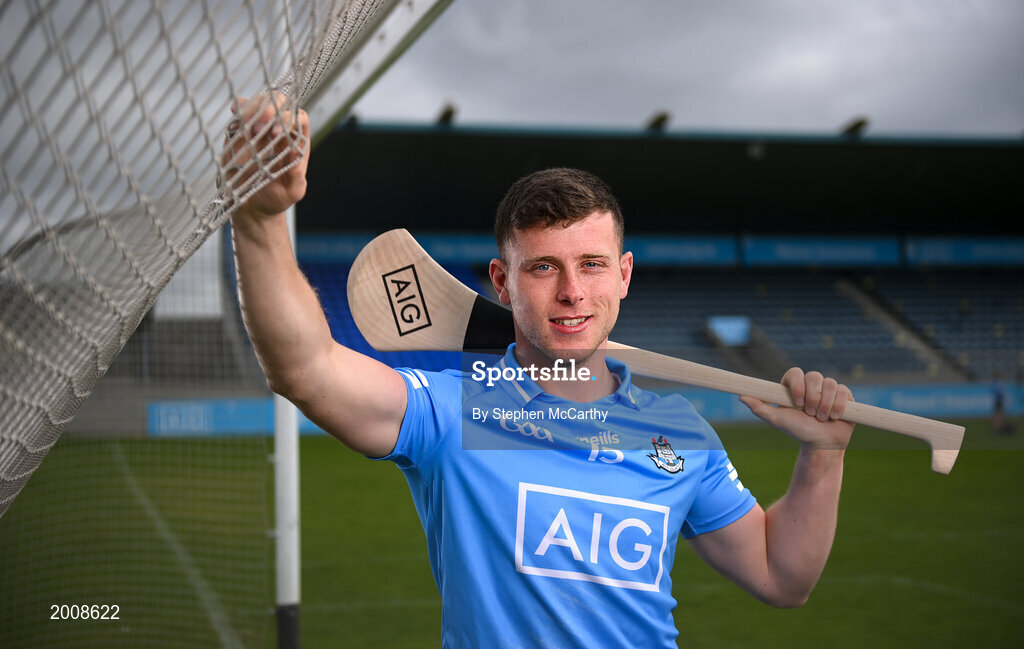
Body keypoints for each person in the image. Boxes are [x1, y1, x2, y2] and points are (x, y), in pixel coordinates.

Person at [225, 95, 855, 648]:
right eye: (544, 267)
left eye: (593, 264)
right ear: (502, 282)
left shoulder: (679, 434)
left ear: (625, 275)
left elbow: (781, 575)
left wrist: (824, 456)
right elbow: (305, 368)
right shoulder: (456, 410)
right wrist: (259, 221)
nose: (574, 291)